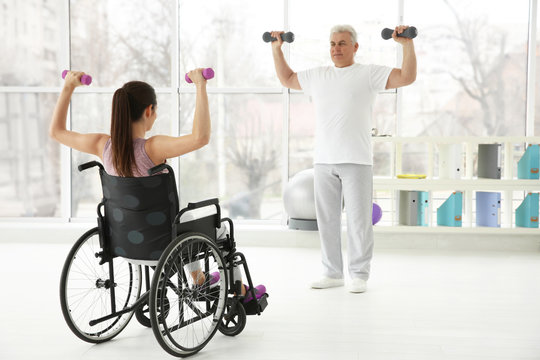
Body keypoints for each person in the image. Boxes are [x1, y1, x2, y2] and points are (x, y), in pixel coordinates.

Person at [50, 69, 265, 300]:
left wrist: (68, 87)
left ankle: (200, 280)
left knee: (186, 223)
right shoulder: (153, 148)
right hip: (164, 243)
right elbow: (200, 137)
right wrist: (200, 86)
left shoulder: (102, 146)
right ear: (149, 110)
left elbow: (56, 131)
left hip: (125, 242)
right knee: (215, 227)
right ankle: (241, 292)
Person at [269, 25, 416, 293]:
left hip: (357, 159)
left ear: (355, 47)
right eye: (333, 43)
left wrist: (406, 45)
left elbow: (406, 77)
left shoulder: (368, 73)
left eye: (342, 43)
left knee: (359, 222)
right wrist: (276, 49)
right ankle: (332, 273)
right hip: (324, 159)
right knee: (327, 221)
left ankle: (359, 274)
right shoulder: (319, 76)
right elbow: (287, 78)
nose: (336, 48)